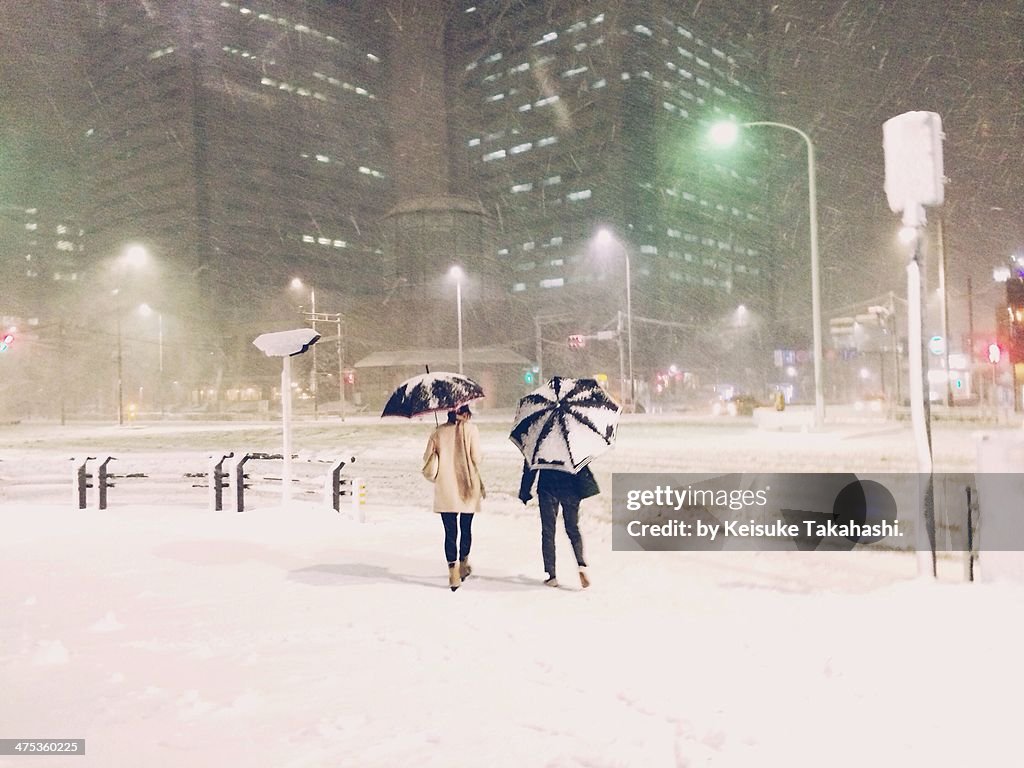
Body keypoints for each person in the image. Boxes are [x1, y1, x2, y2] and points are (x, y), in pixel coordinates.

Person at [423, 404, 484, 591]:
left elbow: (427, 458)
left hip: (446, 488)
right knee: (466, 528)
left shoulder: (438, 432)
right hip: (467, 487)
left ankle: (453, 572)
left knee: (450, 532)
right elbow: (477, 458)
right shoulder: (472, 430)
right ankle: (464, 562)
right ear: (466, 413)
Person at [518, 463, 599, 588]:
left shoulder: (540, 444)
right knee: (573, 529)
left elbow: (530, 466)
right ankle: (581, 564)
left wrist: (525, 491)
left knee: (548, 532)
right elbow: (581, 462)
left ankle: (552, 576)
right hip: (571, 488)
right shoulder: (571, 444)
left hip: (547, 488)